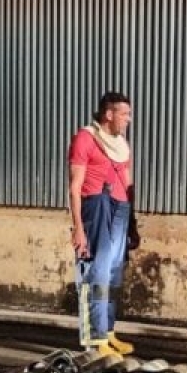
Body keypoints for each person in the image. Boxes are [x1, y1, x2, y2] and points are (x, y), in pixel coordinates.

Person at [68, 92, 141, 356]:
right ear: (108, 114)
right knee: (96, 273)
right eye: (124, 114)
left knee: (113, 273)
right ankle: (95, 338)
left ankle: (108, 332)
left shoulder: (121, 143)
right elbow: (75, 188)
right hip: (96, 204)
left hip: (120, 208)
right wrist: (78, 227)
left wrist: (132, 223)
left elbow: (128, 183)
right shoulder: (85, 138)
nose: (128, 120)